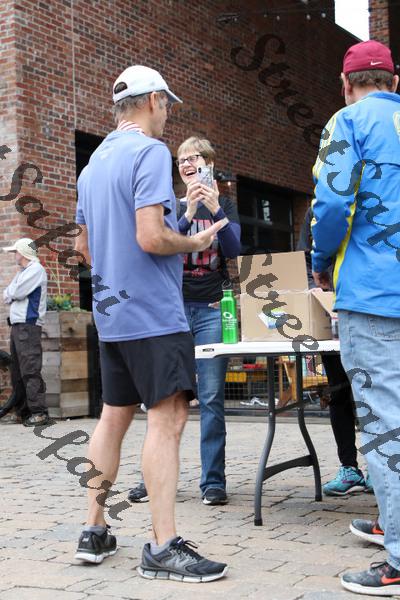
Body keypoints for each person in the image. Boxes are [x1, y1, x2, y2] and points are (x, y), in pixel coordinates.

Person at [74, 65, 228, 583]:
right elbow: (150, 238)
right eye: (167, 105)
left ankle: (94, 530)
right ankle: (163, 546)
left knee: (112, 417)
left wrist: (170, 224)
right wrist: (194, 240)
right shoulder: (149, 153)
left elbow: (84, 247)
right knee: (168, 418)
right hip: (154, 314)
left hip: (112, 314)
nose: (167, 116)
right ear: (154, 100)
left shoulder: (93, 165)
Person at [311, 40, 400, 596]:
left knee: (386, 424)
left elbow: (331, 204)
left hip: (372, 294)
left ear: (346, 85)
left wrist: (320, 262)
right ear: (395, 82)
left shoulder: (347, 122)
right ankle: (392, 520)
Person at [129, 137, 241, 506]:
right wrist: (190, 211)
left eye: (194, 158)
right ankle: (153, 480)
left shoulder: (225, 205)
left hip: (210, 311)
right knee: (164, 398)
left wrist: (215, 209)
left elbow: (234, 249)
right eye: (182, 159)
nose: (187, 164)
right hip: (172, 313)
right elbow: (161, 245)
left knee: (211, 398)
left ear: (209, 163)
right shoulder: (172, 205)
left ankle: (213, 483)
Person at [297, 207, 373, 496]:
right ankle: (349, 468)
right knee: (339, 393)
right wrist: (317, 292)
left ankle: (379, 468)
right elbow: (306, 261)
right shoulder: (315, 211)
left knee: (376, 394)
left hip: (371, 311)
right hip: (332, 318)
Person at [2, 237, 49, 427]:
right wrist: (11, 293)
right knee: (17, 372)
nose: (14, 255)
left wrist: (11, 293)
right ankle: (23, 412)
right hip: (18, 326)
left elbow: (15, 293)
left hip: (28, 325)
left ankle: (39, 413)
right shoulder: (23, 272)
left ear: (23, 253)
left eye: (16, 251)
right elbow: (6, 294)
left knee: (30, 369)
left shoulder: (36, 269)